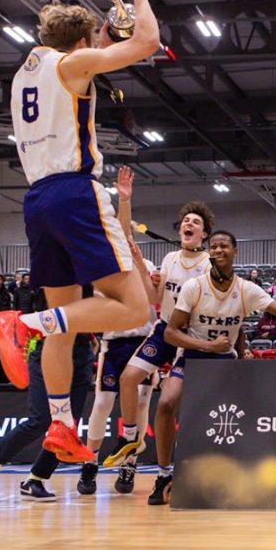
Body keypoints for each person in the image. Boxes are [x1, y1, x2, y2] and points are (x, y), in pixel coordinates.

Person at [4, 0, 158, 465]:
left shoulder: (23, 76)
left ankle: (60, 424)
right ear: (79, 43)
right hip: (74, 193)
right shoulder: (69, 65)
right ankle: (30, 323)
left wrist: (104, 35)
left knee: (64, 325)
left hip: (37, 201)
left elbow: (88, 60)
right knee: (135, 309)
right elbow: (147, 43)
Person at [149, 230, 276, 504]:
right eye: (213, 246)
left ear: (235, 252)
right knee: (165, 404)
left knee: (255, 413)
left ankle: (262, 471)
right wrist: (208, 345)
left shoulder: (246, 289)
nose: (217, 250)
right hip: (193, 356)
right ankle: (164, 474)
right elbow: (170, 333)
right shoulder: (194, 287)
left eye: (223, 246)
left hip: (225, 361)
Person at [104, 200, 214, 469]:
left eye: (195, 222)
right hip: (164, 329)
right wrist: (141, 265)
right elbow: (154, 297)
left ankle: (182, 462)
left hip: (189, 335)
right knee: (128, 378)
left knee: (173, 402)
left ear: (204, 234)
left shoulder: (209, 265)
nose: (189, 224)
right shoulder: (169, 259)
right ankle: (131, 437)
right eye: (186, 221)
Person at [80, 166, 159, 495]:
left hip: (143, 342)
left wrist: (125, 202)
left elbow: (125, 236)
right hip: (113, 344)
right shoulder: (101, 270)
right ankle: (90, 462)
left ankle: (129, 464)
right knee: (102, 404)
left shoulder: (145, 265)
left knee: (141, 404)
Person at [0, 311, 96, 500]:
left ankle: (36, 479)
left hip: (81, 354)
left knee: (66, 429)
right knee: (40, 420)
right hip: (49, 348)